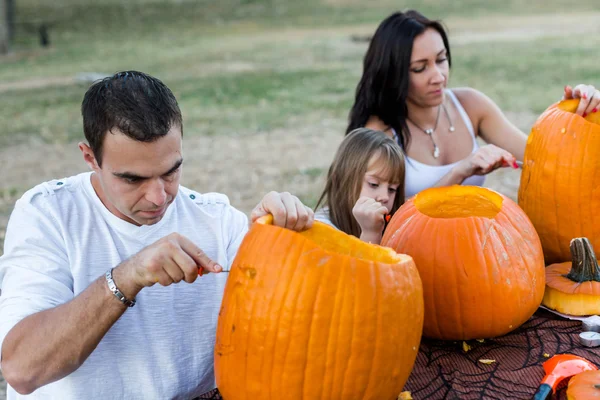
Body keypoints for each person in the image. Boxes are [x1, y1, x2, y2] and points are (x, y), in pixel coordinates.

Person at [0, 71, 314, 399]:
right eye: (133, 179)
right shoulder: (49, 214)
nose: (159, 197)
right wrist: (126, 277)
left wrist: (280, 237)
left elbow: (316, 317)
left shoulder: (216, 221)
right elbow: (22, 370)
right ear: (90, 157)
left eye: (171, 171)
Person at [346, 10, 600, 199]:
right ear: (392, 73)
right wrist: (461, 172)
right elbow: (387, 219)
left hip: (473, 248)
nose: (439, 76)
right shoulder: (379, 133)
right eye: (420, 68)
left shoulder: (470, 105)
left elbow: (543, 159)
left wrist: (572, 114)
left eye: (442, 59)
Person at [315, 128, 404, 244]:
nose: (385, 196)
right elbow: (364, 263)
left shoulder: (395, 231)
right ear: (341, 180)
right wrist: (370, 233)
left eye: (392, 189)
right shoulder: (321, 230)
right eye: (374, 184)